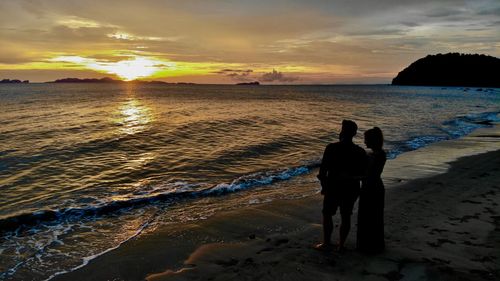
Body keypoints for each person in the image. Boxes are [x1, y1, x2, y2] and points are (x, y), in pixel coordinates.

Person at [316, 120, 366, 251]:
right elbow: (364, 174)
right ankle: (341, 245)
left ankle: (327, 243)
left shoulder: (331, 148)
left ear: (342, 132)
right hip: (351, 188)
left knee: (327, 214)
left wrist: (324, 187)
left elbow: (322, 171)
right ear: (354, 133)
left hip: (333, 187)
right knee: (346, 216)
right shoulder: (360, 151)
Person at [357, 127, 386, 253]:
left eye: (366, 139)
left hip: (372, 188)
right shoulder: (377, 154)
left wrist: (350, 178)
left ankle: (368, 245)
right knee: (373, 217)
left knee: (369, 217)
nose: (364, 142)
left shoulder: (377, 156)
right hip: (373, 187)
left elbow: (369, 175)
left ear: (372, 140)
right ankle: (373, 244)